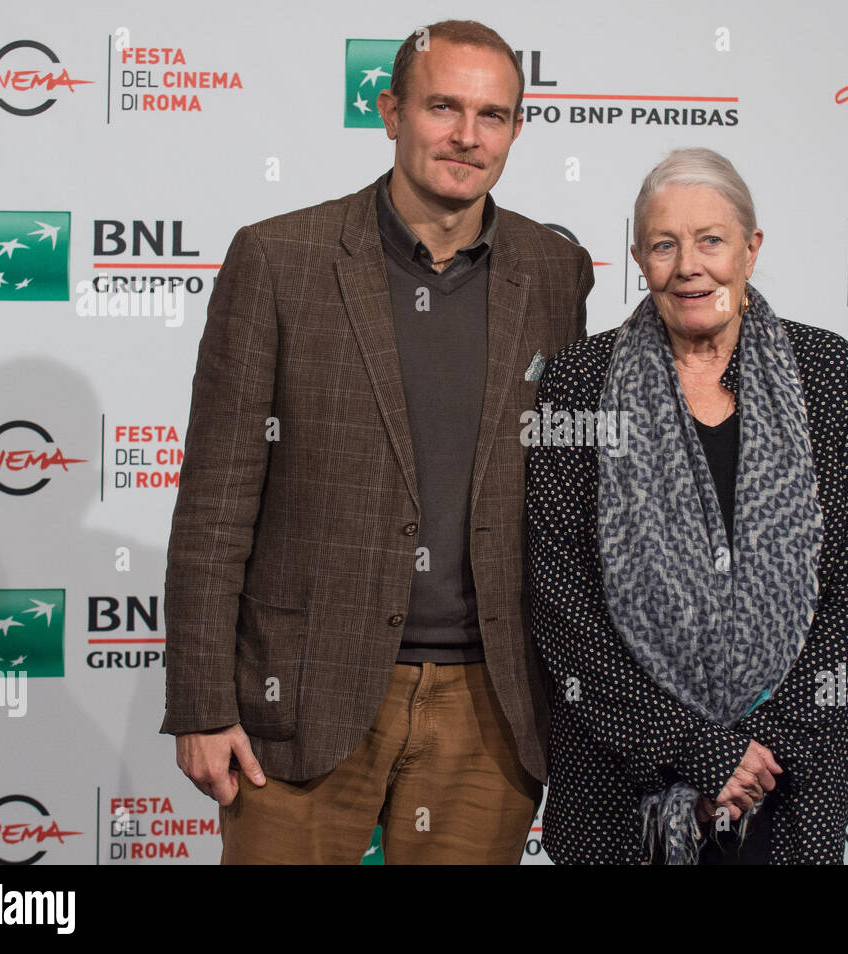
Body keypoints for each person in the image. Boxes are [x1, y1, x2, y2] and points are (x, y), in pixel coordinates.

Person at [161, 19, 593, 864]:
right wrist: (204, 703)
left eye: (494, 115)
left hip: (491, 708)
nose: (468, 136)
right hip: (304, 693)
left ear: (515, 130)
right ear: (390, 112)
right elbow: (215, 501)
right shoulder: (280, 258)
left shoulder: (553, 271)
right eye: (443, 107)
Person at [527, 148, 848, 864]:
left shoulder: (829, 374)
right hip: (621, 775)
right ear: (638, 258)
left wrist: (762, 752)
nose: (688, 266)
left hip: (782, 782)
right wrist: (695, 748)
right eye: (664, 245)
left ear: (751, 251)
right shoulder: (577, 383)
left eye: (711, 241)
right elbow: (560, 598)